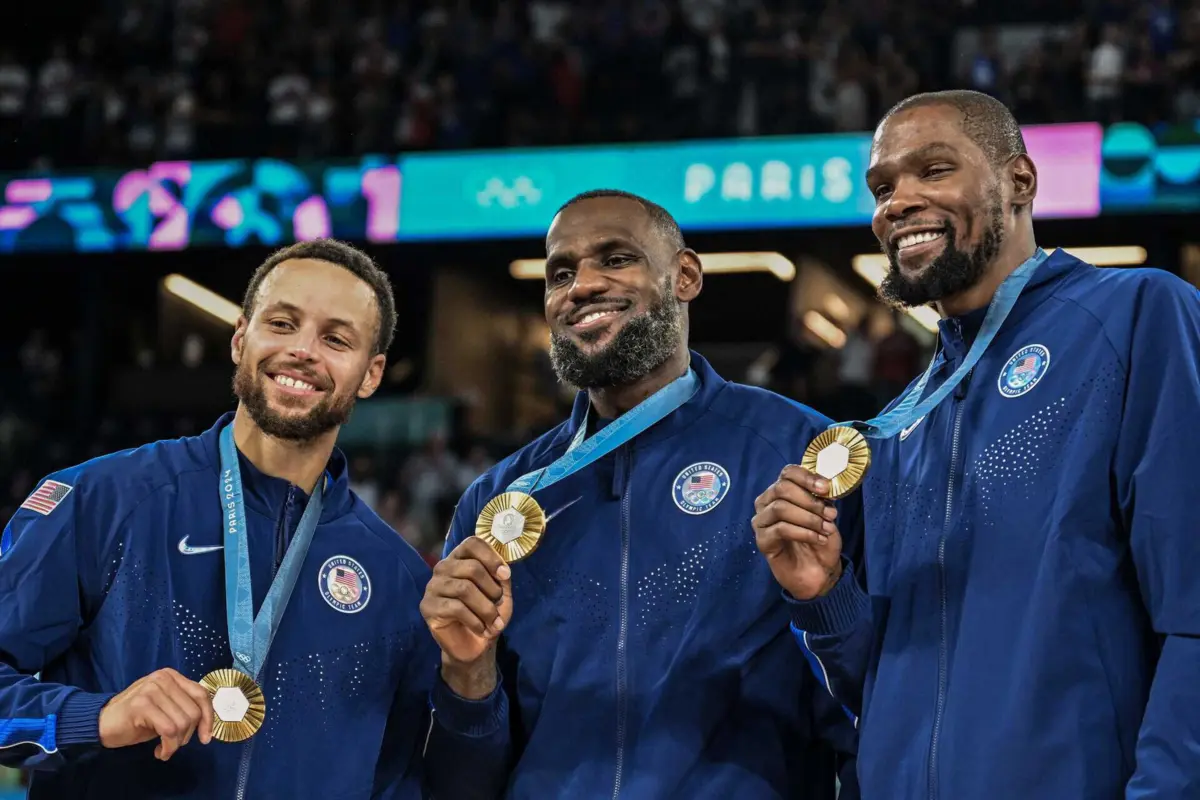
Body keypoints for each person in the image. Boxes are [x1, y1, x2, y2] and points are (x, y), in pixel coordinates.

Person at [753, 89, 1200, 799]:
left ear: (1018, 181)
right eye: (882, 186)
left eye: (933, 170)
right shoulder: (893, 428)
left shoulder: (1134, 316)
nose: (897, 202)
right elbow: (884, 691)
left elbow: (1192, 605)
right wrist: (825, 597)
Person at [0, 239, 484, 799]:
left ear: (372, 374)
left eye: (335, 338)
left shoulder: (398, 579)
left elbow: (406, 781)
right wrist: (99, 718)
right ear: (240, 338)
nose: (303, 350)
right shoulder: (104, 500)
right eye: (282, 323)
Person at [419, 190, 860, 799]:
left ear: (685, 276)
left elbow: (871, 705)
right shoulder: (501, 502)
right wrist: (466, 675)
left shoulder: (799, 451)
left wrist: (829, 600)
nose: (582, 286)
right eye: (561, 273)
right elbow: (464, 784)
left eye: (616, 259)